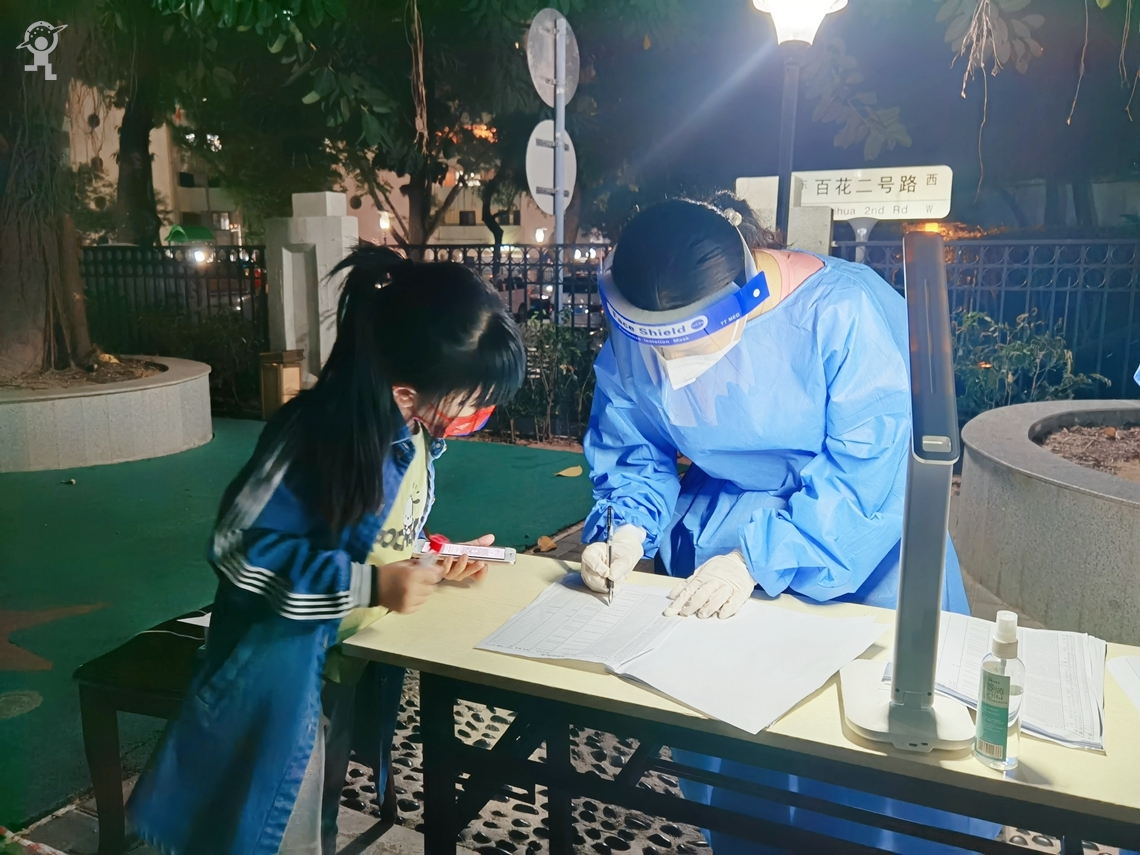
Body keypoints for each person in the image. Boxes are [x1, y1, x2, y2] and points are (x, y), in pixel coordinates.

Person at [578, 198, 996, 853]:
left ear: (744, 298)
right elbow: (632, 443)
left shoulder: (844, 312)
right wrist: (626, 528)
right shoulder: (641, 328)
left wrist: (758, 558)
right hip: (716, 556)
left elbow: (871, 474)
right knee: (742, 767)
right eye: (656, 348)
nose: (671, 363)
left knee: (868, 769)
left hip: (863, 556)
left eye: (688, 343)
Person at [126, 244, 526, 855]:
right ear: (405, 390)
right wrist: (372, 586)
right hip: (280, 671)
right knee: (262, 829)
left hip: (352, 657)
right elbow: (239, 547)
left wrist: (431, 559)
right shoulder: (313, 435)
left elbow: (379, 536)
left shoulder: (412, 434)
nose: (478, 412)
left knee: (317, 818)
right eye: (470, 399)